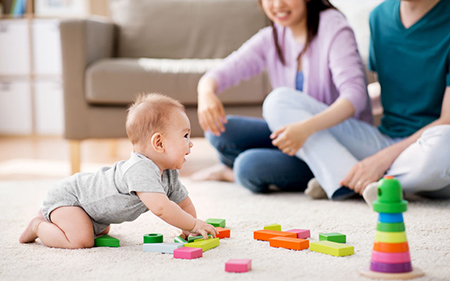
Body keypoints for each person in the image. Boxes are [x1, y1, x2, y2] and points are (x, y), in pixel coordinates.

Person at [266, 0, 450, 204]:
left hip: (427, 149)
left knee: (446, 141)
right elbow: (392, 92)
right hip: (382, 140)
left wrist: (381, 160)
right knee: (279, 101)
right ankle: (359, 180)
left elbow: (447, 120)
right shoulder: (379, 17)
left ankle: (352, 178)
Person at [192, 0, 373, 199]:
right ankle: (316, 177)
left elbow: (355, 97)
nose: (277, 4)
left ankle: (232, 172)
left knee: (248, 166)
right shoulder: (273, 36)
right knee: (219, 131)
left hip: (336, 141)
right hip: (296, 138)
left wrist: (306, 128)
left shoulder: (333, 26)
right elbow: (221, 73)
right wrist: (206, 93)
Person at [19, 93, 217, 249]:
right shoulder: (140, 169)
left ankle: (73, 222)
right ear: (159, 143)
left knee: (101, 230)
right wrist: (193, 224)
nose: (190, 144)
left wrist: (189, 229)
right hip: (71, 199)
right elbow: (162, 208)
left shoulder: (169, 174)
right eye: (185, 136)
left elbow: (184, 204)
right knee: (81, 240)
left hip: (92, 212)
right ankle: (39, 225)